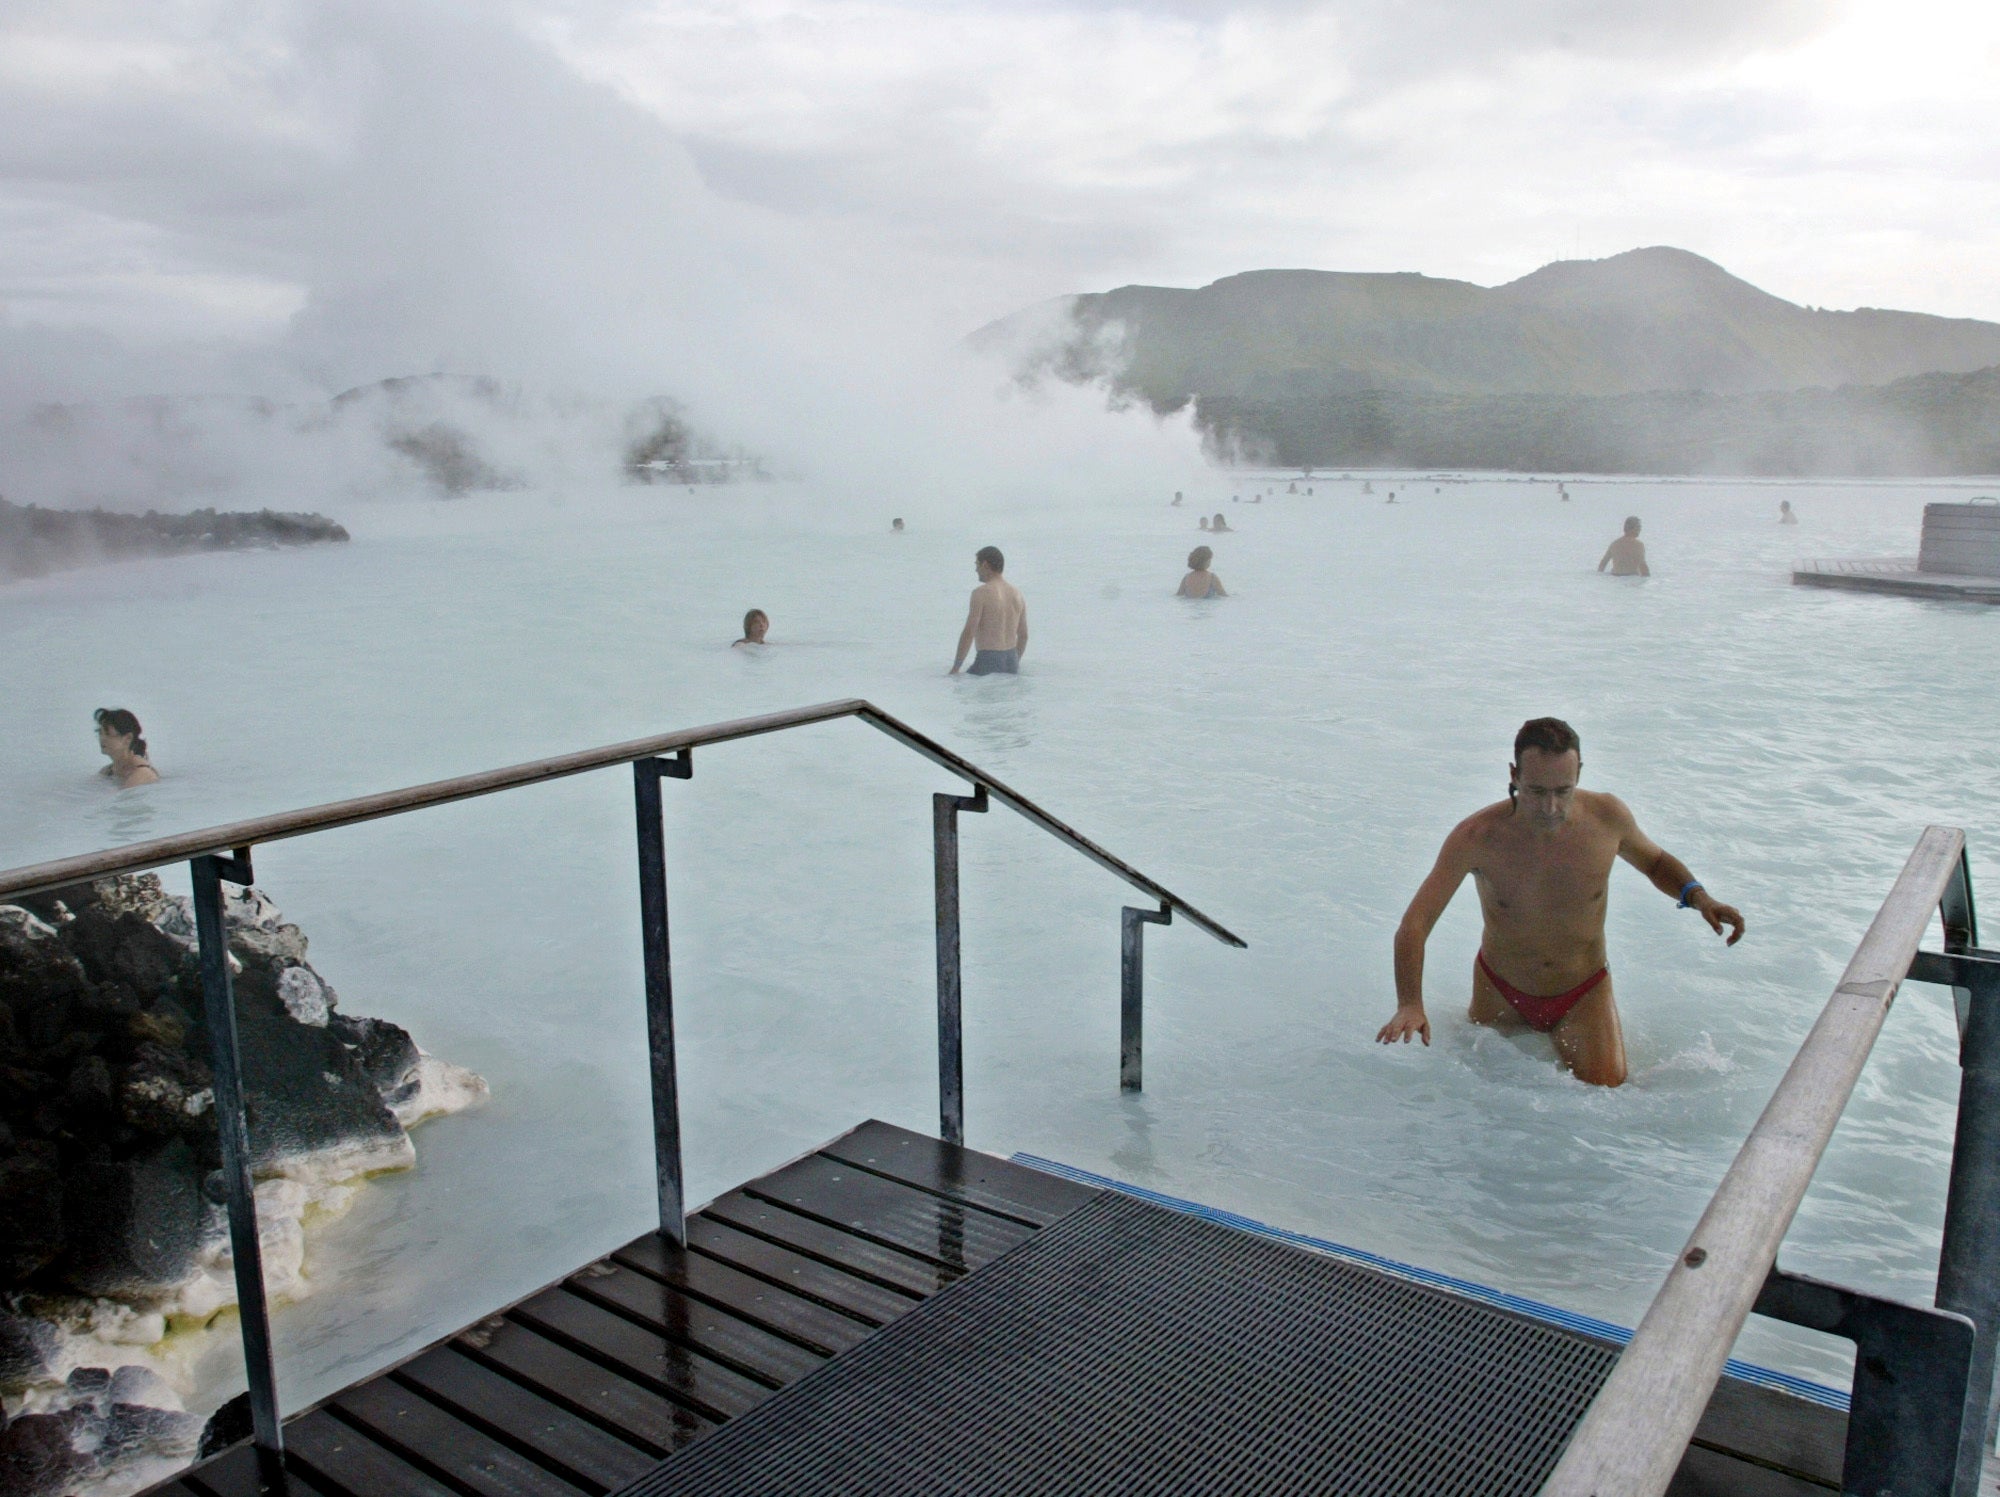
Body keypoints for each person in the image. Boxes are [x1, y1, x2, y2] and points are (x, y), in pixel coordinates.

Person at [1376, 718, 1744, 1087]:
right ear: (1514, 775)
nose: (1550, 807)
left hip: (1583, 991)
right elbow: (1415, 925)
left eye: (1563, 791)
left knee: (1608, 1096)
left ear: (1579, 773)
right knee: (1484, 1102)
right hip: (1500, 991)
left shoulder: (1608, 818)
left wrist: (1699, 897)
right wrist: (1410, 1004)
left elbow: (1656, 863)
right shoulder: (1476, 837)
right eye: (1536, 791)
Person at [950, 546, 1028, 676]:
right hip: (1011, 661)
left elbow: (969, 632)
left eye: (977, 564)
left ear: (985, 565)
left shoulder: (980, 593)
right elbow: (1024, 635)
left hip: (987, 660)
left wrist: (956, 667)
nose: (976, 570)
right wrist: (1015, 662)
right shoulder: (1017, 594)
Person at [95, 708, 158, 787]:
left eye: (108, 734)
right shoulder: (107, 772)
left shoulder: (142, 773)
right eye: (100, 733)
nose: (102, 738)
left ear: (128, 738)